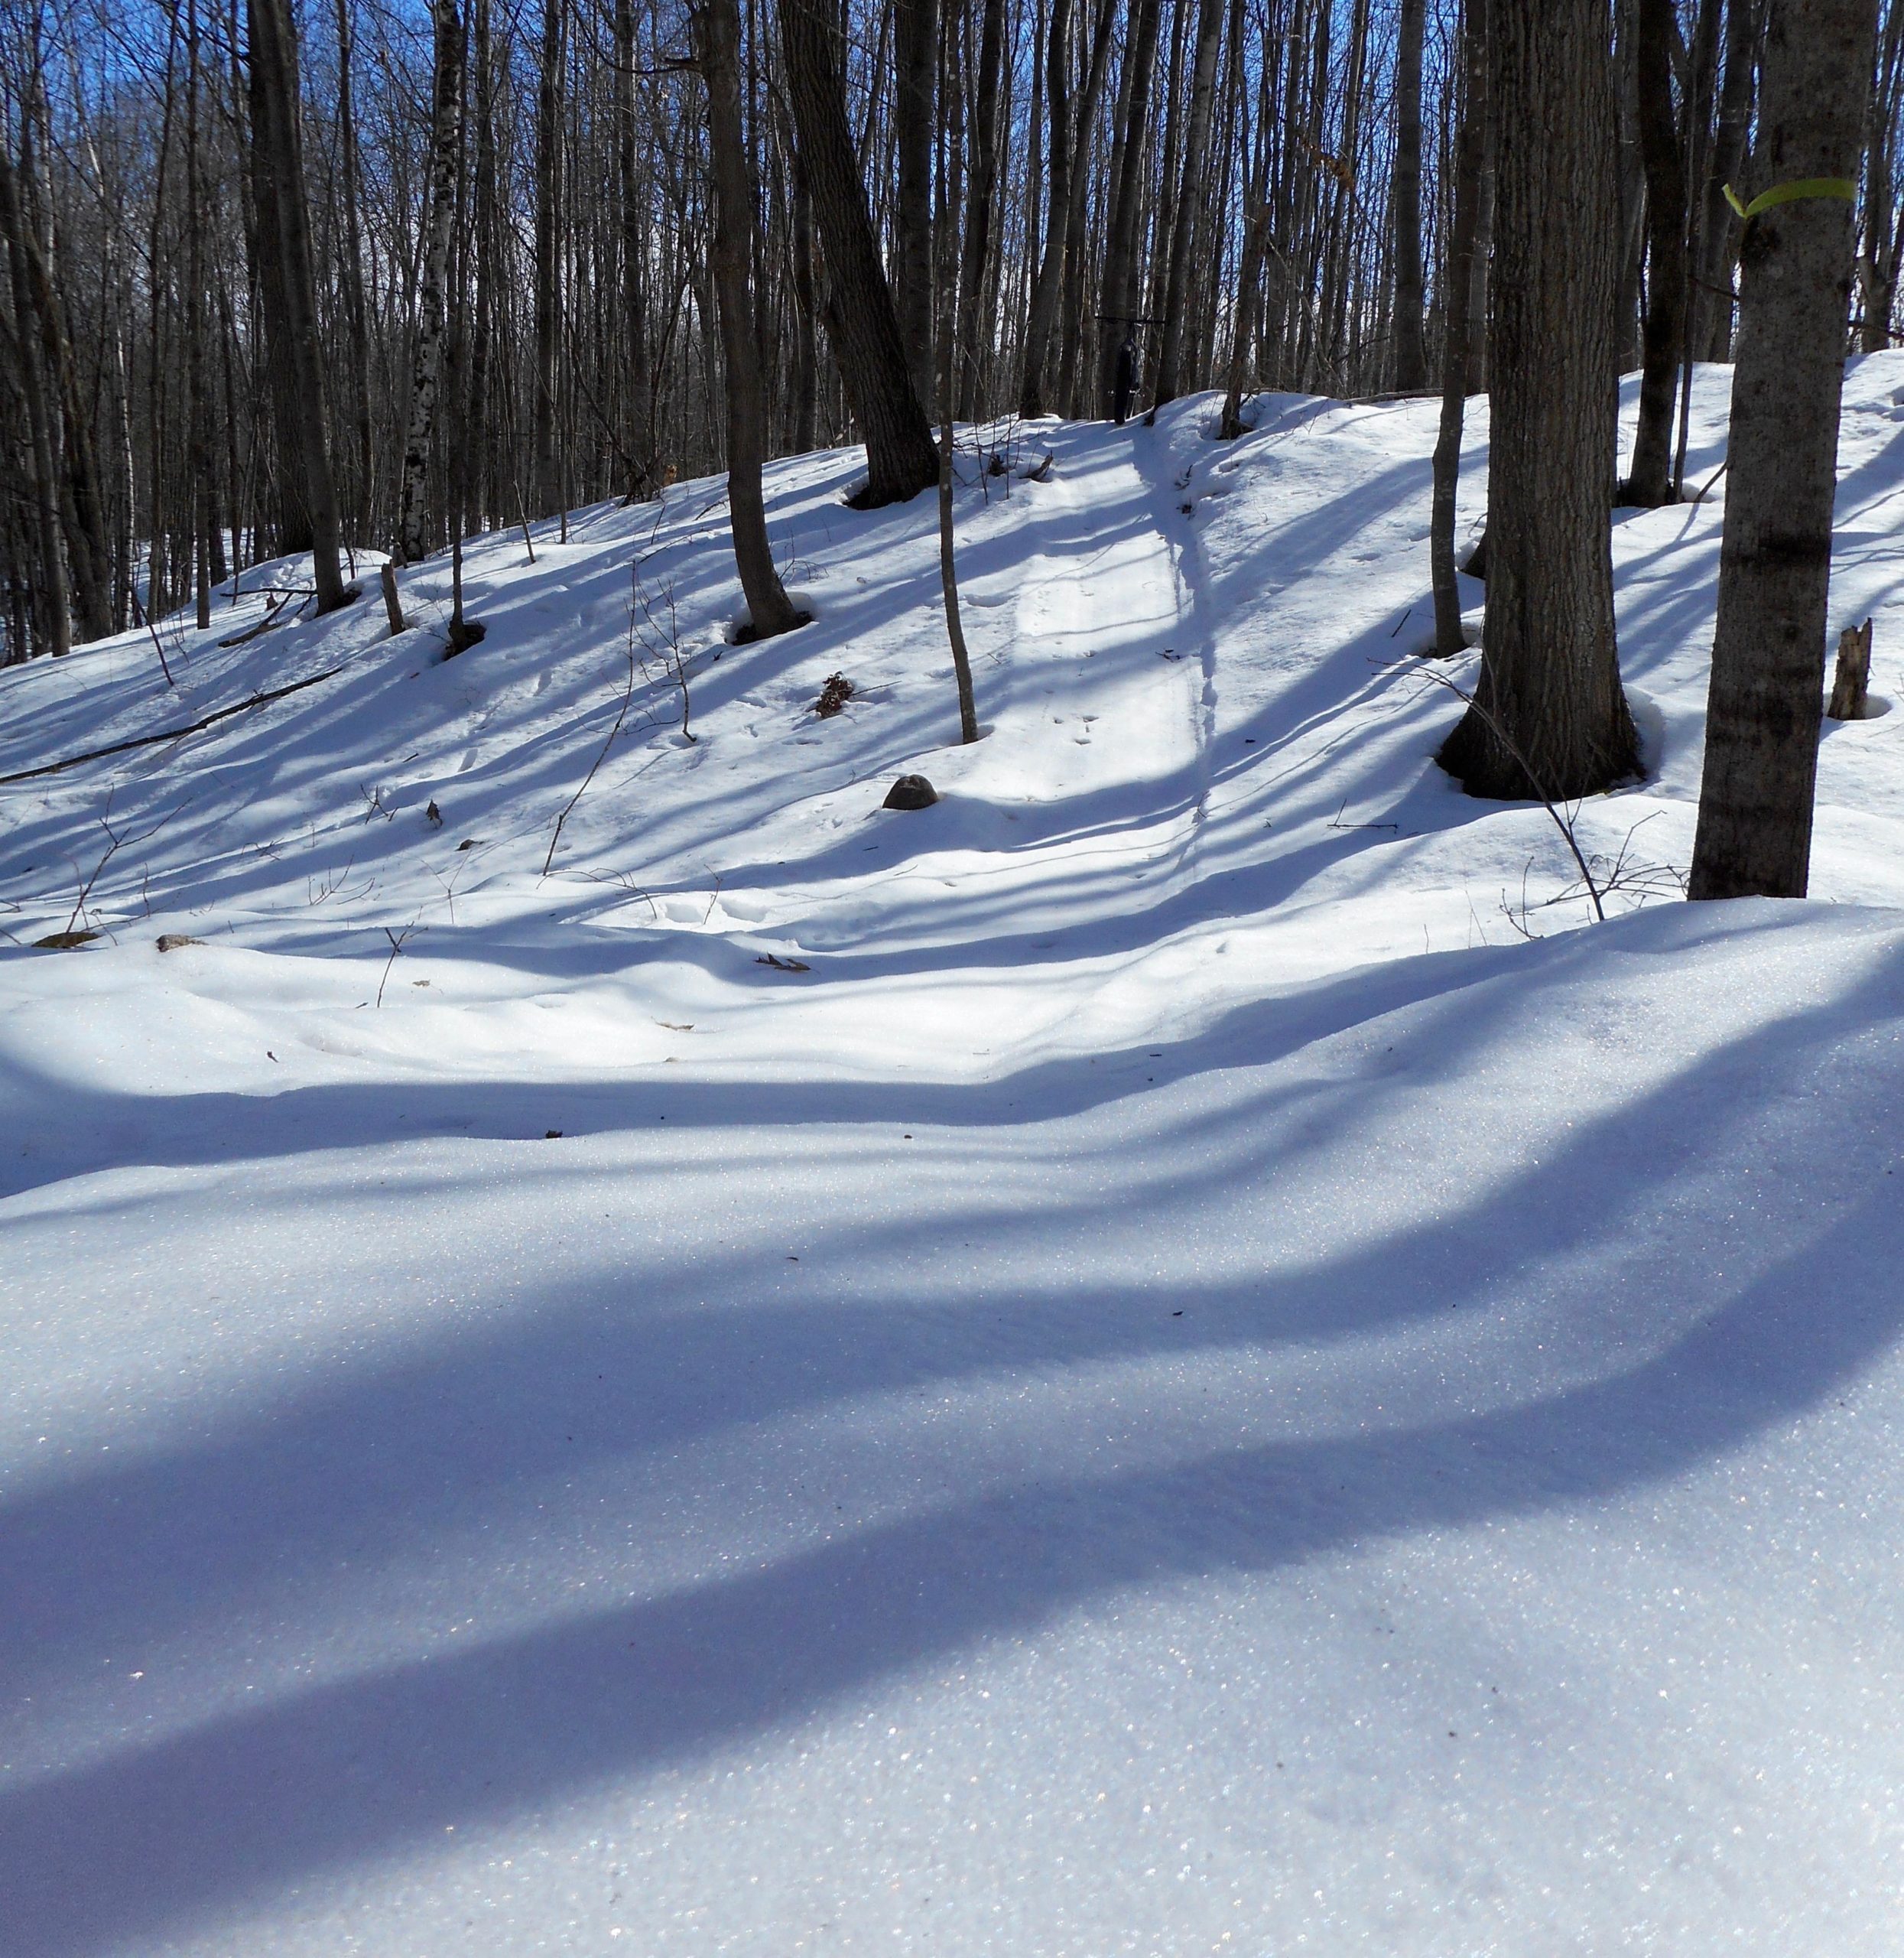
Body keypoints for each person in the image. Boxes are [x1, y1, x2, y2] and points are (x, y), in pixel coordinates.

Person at [1113, 332, 1137, 426]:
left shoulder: (1127, 359)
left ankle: (1122, 417)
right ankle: (1121, 417)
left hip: (1124, 382)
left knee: (1123, 399)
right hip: (1124, 382)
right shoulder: (1125, 359)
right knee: (1122, 399)